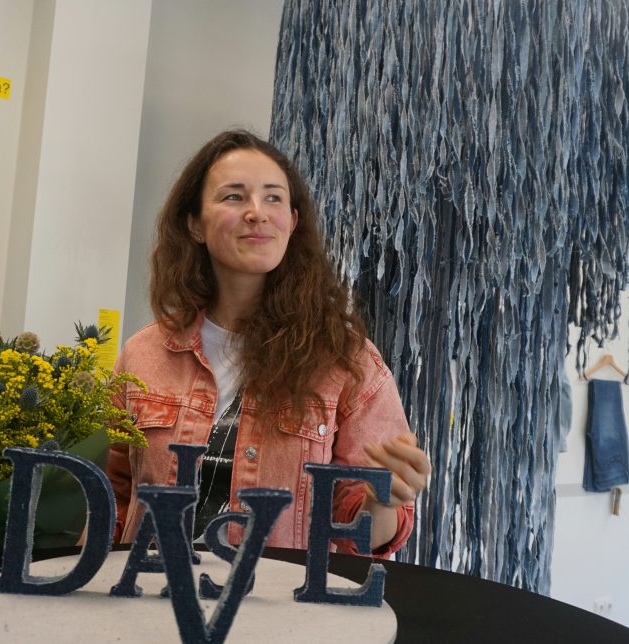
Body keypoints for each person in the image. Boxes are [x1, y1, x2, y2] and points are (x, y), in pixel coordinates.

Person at [106, 130, 430, 556]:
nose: (257, 213)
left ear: (292, 222)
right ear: (195, 224)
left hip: (278, 597)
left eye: (273, 198)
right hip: (150, 589)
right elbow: (115, 501)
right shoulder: (144, 353)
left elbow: (361, 540)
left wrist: (383, 499)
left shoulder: (344, 358)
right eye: (234, 197)